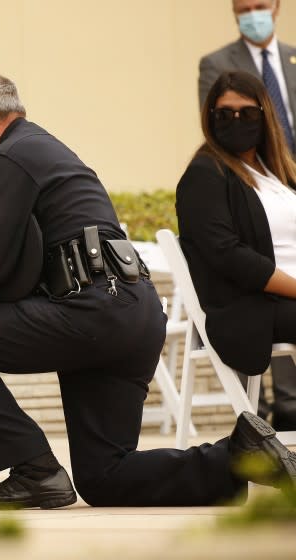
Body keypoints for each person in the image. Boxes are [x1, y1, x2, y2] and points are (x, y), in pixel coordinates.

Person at [0, 71, 296, 510]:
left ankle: (34, 470)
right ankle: (239, 456)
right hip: (132, 314)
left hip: (89, 309)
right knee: (106, 476)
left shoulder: (8, 159)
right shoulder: (42, 151)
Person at [198, 0, 296, 430]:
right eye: (225, 114)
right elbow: (228, 254)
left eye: (247, 114)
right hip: (250, 308)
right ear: (210, 117)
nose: (236, 121)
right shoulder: (205, 174)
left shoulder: (278, 174)